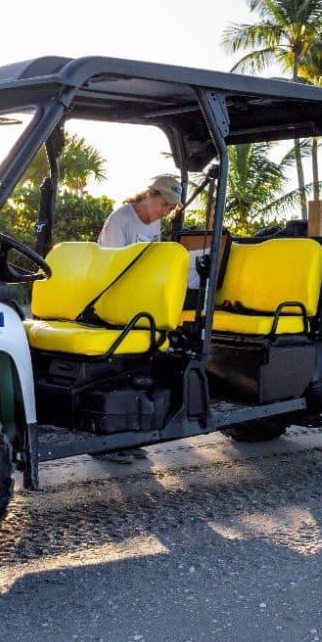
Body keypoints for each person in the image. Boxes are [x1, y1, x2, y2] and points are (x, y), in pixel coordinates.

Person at [90, 175, 182, 465]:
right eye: (163, 204)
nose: (165, 211)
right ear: (149, 195)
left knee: (149, 361)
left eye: (170, 208)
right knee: (119, 368)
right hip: (111, 300)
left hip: (138, 301)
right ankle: (108, 439)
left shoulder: (154, 224)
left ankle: (130, 433)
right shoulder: (122, 219)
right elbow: (110, 266)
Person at [97, 175, 182, 248]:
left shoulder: (156, 222)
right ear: (150, 193)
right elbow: (112, 263)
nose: (165, 213)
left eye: (171, 209)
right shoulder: (120, 219)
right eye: (164, 204)